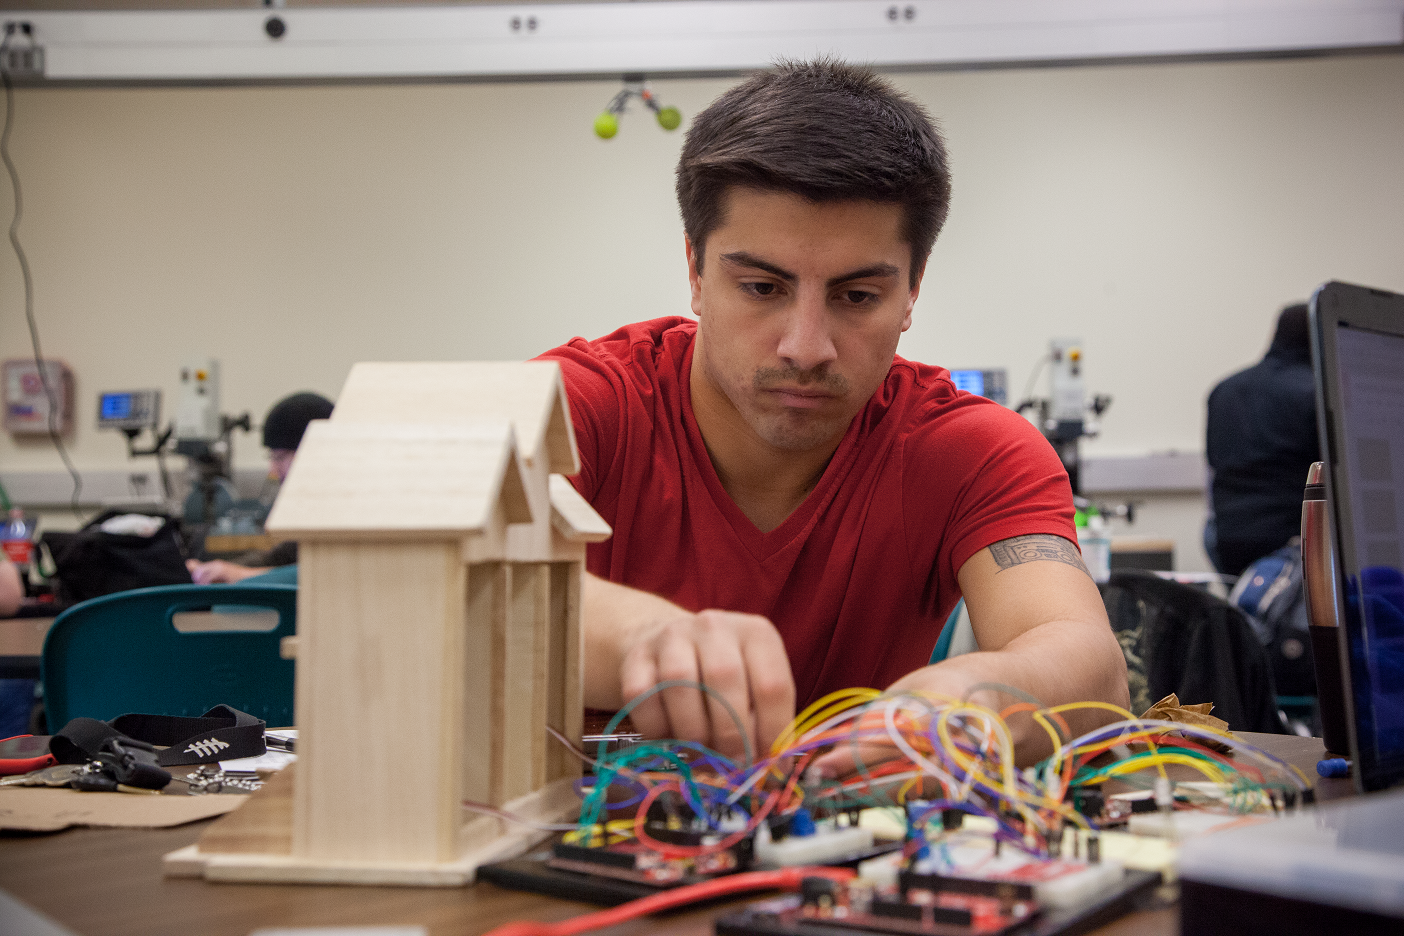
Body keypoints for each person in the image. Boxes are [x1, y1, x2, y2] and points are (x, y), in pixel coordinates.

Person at [536, 59, 1128, 770]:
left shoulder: (975, 453)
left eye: (855, 297)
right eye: (761, 287)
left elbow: (1090, 666)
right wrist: (643, 639)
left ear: (912, 292)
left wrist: (977, 699)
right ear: (695, 271)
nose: (805, 347)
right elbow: (442, 590)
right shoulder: (571, 407)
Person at [1205, 304, 1319, 577]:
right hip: (1290, 546)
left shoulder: (1224, 390)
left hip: (1226, 542)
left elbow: (1212, 465)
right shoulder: (1316, 393)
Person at [186, 392, 333, 585]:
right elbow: (283, 558)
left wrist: (238, 575)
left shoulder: (340, 510)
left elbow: (319, 574)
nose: (273, 471)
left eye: (279, 458)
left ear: (313, 450)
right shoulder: (314, 508)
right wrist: (216, 569)